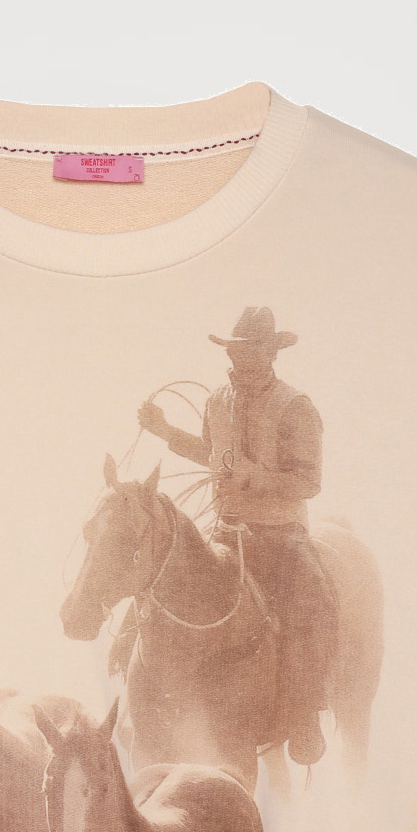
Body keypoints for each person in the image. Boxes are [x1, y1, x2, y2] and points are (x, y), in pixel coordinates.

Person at [138, 306, 337, 763]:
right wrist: (165, 430)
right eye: (235, 351)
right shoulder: (216, 401)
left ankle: (304, 714)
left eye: (251, 351)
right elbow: (211, 454)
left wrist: (256, 479)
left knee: (312, 604)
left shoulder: (296, 407)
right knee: (158, 580)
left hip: (280, 534)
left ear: (271, 353)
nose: (241, 359)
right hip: (227, 530)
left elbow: (309, 482)